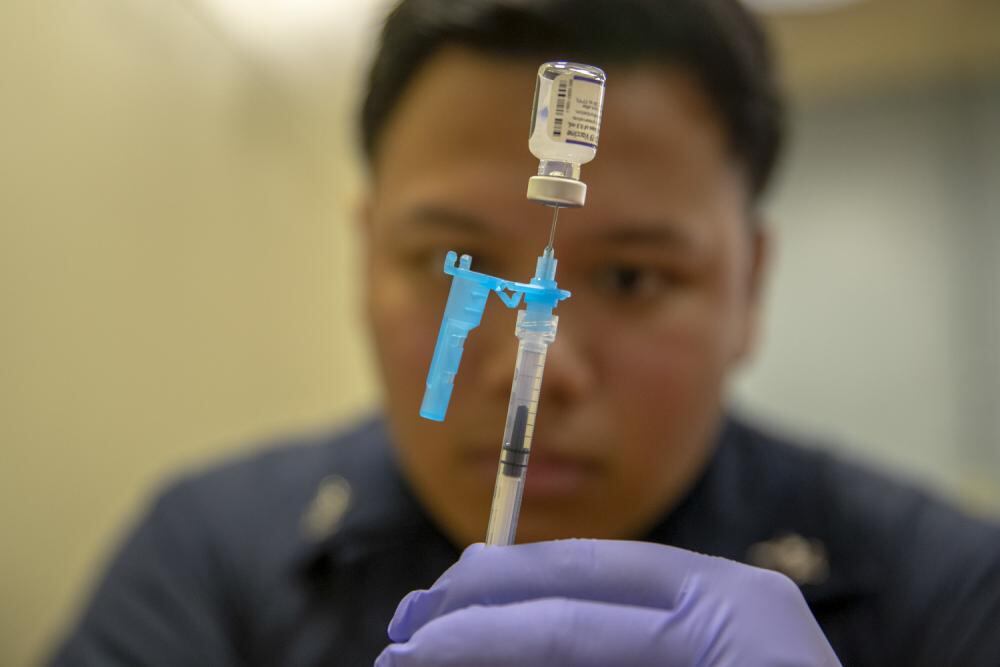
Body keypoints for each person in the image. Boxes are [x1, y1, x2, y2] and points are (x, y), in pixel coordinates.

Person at [49, 0, 1000, 665]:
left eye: (631, 277)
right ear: (365, 256)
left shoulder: (949, 590)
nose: (530, 372)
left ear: (750, 286)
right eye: (450, 259)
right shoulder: (208, 560)